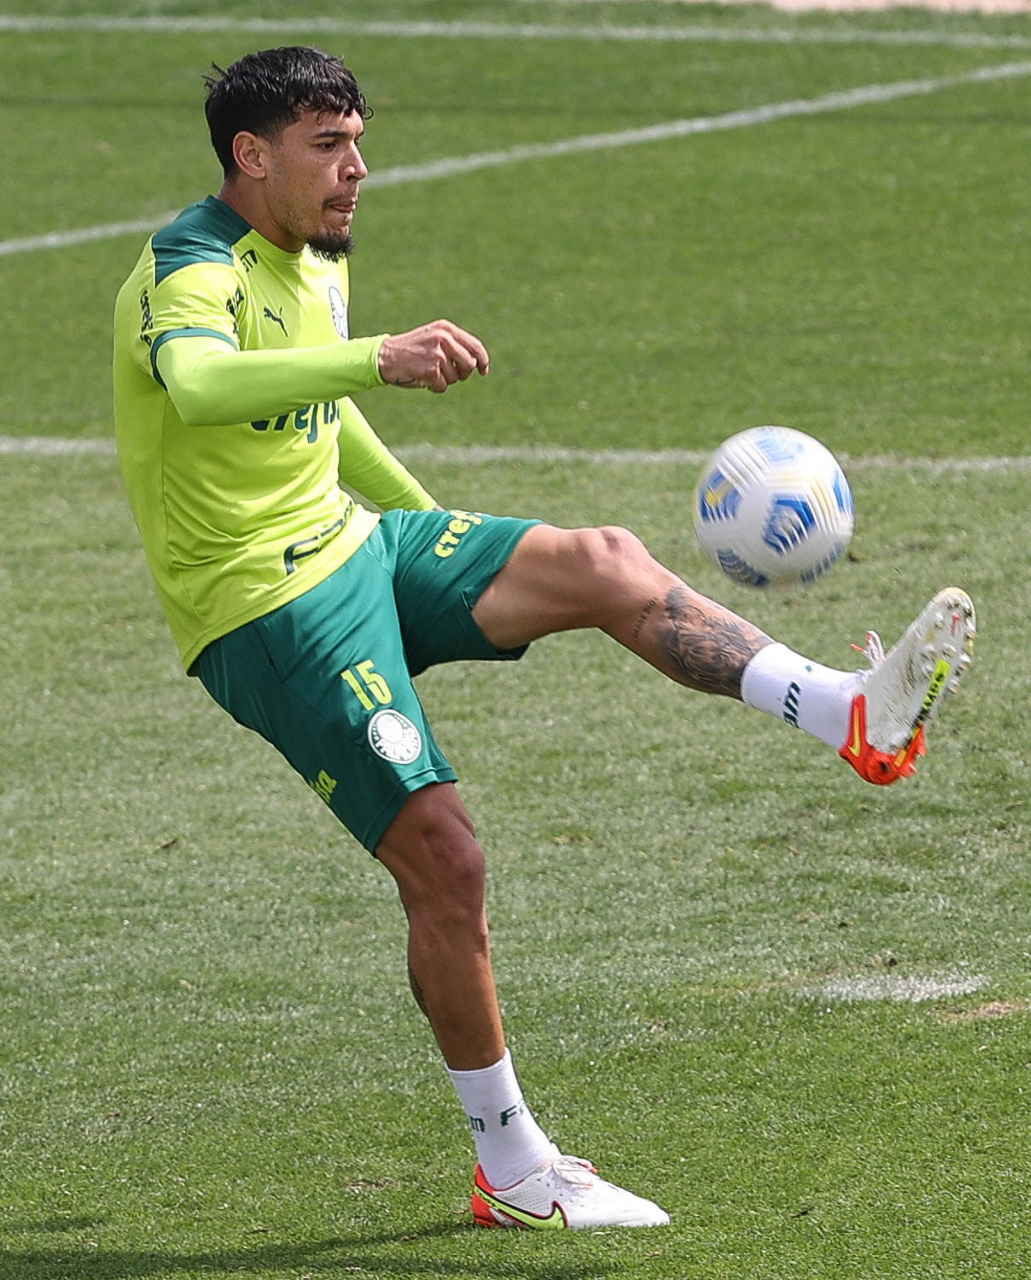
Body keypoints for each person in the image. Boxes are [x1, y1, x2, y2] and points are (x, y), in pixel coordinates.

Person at [112, 46, 975, 1231]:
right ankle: (512, 1167)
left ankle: (850, 712)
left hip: (356, 547)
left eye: (359, 142)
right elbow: (204, 387)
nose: (356, 168)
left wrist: (429, 531)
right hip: (262, 606)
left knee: (601, 560)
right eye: (328, 145)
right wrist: (381, 356)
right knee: (445, 859)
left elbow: (319, 410)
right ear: (250, 156)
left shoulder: (312, 255)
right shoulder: (190, 263)